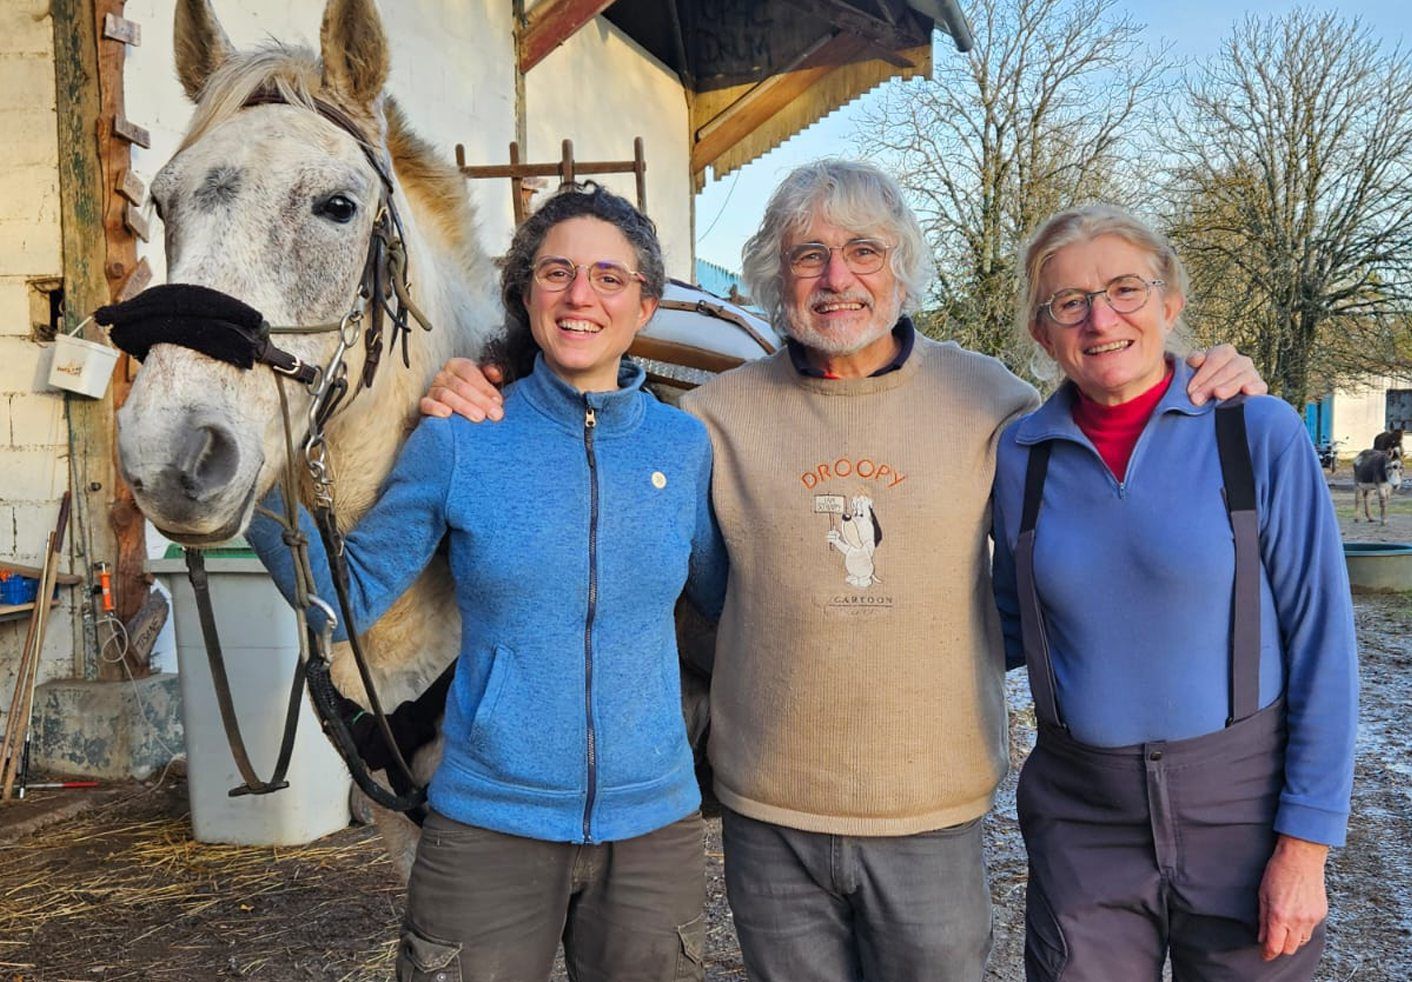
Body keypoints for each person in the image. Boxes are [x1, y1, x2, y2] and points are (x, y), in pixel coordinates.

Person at [424, 160, 1268, 981]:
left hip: (931, 811)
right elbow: (597, 441)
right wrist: (483, 380)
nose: (838, 278)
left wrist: (1199, 379)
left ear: (902, 269)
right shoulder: (712, 419)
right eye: (809, 255)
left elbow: (1112, 423)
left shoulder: (993, 402)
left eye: (865, 251)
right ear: (776, 276)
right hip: (769, 814)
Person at [250, 183, 726, 982]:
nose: (580, 296)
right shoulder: (463, 438)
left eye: (609, 277)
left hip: (652, 829)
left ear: (645, 304)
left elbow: (725, 602)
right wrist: (249, 485)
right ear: (525, 293)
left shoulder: (684, 448)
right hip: (488, 826)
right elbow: (347, 595)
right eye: (556, 272)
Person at [990, 204, 1357, 980]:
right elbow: (1000, 626)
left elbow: (1324, 646)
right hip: (1081, 821)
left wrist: (1306, 846)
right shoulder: (1017, 456)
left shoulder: (1257, 433)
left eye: (1126, 289)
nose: (1101, 319)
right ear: (1042, 333)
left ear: (1170, 303)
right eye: (1070, 302)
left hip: (1242, 814)